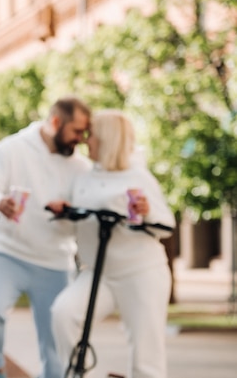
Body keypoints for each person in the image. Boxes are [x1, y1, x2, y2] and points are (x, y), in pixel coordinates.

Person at [0, 96, 92, 378]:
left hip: (56, 261)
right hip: (8, 253)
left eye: (85, 133)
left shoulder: (82, 167)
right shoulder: (13, 148)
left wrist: (73, 212)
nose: (81, 139)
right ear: (56, 122)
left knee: (56, 347)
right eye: (76, 131)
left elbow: (91, 210)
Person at [47, 109, 175, 378]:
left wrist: (147, 210)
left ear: (107, 139)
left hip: (141, 273)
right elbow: (76, 227)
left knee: (146, 356)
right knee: (64, 313)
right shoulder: (84, 177)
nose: (85, 140)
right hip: (98, 273)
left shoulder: (138, 176)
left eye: (91, 135)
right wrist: (65, 212)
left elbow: (166, 225)